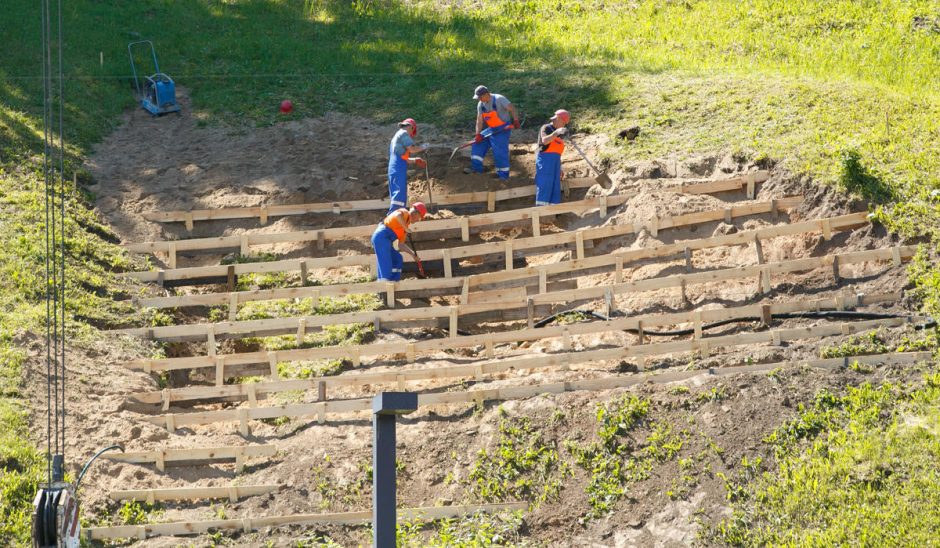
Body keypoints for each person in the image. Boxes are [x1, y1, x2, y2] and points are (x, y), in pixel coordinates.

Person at [467, 85, 520, 179]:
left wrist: (515, 120)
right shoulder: (480, 104)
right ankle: (476, 168)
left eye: (480, 97)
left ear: (486, 94)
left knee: (499, 151)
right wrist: (478, 135)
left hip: (503, 129)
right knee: (477, 144)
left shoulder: (499, 99)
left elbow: (512, 109)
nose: (479, 99)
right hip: (491, 129)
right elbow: (479, 121)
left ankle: (502, 175)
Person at [371, 202, 428, 282]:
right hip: (381, 237)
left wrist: (413, 254)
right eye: (419, 217)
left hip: (386, 241)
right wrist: (405, 228)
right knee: (386, 263)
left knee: (397, 259)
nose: (418, 220)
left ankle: (394, 282)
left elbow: (401, 245)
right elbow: (398, 215)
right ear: (415, 213)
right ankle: (384, 287)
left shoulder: (405, 226)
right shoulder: (404, 213)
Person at [387, 118, 428, 212]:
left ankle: (397, 217)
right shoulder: (403, 133)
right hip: (397, 168)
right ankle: (393, 218)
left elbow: (405, 159)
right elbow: (412, 149)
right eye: (412, 132)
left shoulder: (397, 137)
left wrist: (415, 160)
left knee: (398, 195)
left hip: (395, 167)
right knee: (399, 195)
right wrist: (424, 146)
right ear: (411, 127)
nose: (411, 135)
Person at [535, 109, 569, 205]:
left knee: (555, 187)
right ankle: (542, 212)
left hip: (555, 163)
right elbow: (545, 141)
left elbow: (557, 153)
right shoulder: (546, 128)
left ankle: (553, 213)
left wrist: (560, 168)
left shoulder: (559, 133)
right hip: (545, 161)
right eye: (563, 123)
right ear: (558, 119)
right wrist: (556, 133)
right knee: (545, 185)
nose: (564, 125)